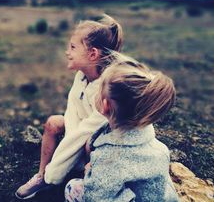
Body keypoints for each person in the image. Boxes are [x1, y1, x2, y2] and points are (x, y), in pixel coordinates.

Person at [15, 15, 124, 199]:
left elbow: (87, 130)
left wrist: (56, 171)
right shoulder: (81, 76)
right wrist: (63, 159)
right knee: (53, 123)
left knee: (89, 143)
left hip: (106, 141)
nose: (67, 52)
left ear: (92, 54)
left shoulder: (107, 89)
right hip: (80, 132)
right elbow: (72, 113)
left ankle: (85, 183)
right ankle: (42, 176)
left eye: (73, 47)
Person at [64, 53, 179, 202]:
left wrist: (89, 174)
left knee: (72, 187)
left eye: (99, 88)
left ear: (105, 105)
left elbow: (96, 197)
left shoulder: (111, 158)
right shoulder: (146, 134)